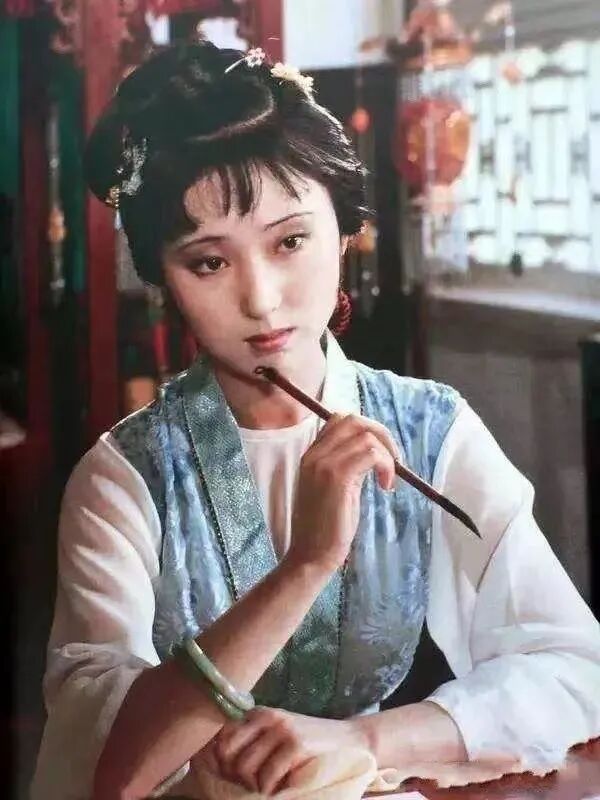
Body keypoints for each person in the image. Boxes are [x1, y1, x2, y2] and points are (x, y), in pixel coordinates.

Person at [32, 41, 600, 800]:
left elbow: (573, 665)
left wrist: (365, 739)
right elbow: (105, 768)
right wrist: (308, 563)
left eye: (291, 241)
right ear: (163, 278)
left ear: (345, 230)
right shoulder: (125, 478)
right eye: (208, 263)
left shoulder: (429, 429)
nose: (262, 301)